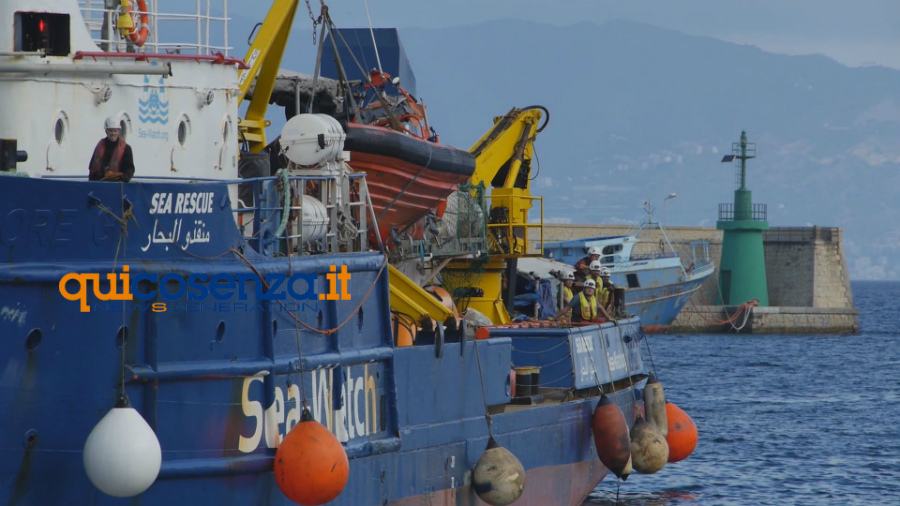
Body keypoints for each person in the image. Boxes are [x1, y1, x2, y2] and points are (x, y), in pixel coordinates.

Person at [89, 115, 135, 182]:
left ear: (119, 131)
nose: (113, 133)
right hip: (99, 184)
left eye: (115, 131)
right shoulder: (99, 147)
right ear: (106, 131)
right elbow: (92, 168)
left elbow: (129, 170)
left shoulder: (126, 149)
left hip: (117, 186)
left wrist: (120, 178)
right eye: (110, 130)